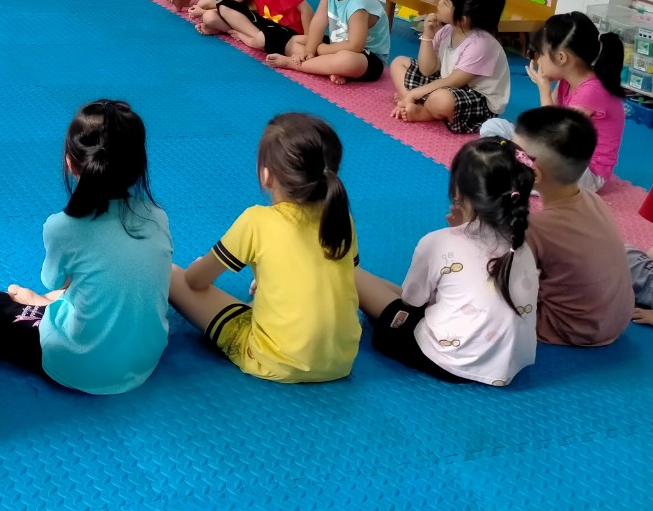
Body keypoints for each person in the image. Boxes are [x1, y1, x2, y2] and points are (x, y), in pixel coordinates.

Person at [0, 99, 172, 394]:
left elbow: (56, 281)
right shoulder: (158, 216)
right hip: (144, 359)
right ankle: (39, 303)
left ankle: (36, 304)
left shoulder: (62, 227)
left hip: (80, 364)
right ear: (138, 163)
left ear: (70, 162)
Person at [170, 113, 360, 383]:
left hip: (276, 361)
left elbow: (195, 281)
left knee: (171, 275)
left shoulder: (256, 221)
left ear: (266, 175)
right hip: (341, 361)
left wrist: (199, 266)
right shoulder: (342, 219)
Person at [356, 138, 538, 385]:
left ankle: (352, 273)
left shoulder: (438, 242)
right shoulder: (522, 244)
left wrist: (455, 232)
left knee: (354, 277)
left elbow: (412, 300)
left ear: (459, 193)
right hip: (507, 361)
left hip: (451, 361)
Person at [511, 106, 631, 345]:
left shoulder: (537, 228)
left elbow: (508, 277)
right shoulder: (592, 199)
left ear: (535, 175)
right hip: (618, 319)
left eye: (515, 156)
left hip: (569, 328)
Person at [480, 12, 625, 193]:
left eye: (540, 54)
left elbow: (554, 133)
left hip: (584, 172)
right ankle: (518, 165)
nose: (538, 60)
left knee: (522, 169)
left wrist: (544, 90)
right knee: (493, 126)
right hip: (560, 154)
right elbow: (542, 127)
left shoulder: (590, 92)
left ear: (561, 58)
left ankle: (516, 169)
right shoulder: (567, 81)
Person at [388, 0, 509, 132]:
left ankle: (423, 111)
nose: (439, 3)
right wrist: (428, 35)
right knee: (398, 63)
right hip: (447, 83)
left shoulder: (481, 44)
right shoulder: (448, 30)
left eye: (445, 2)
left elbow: (453, 81)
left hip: (478, 100)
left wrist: (414, 93)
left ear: (462, 19)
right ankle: (411, 101)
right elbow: (427, 70)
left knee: (442, 99)